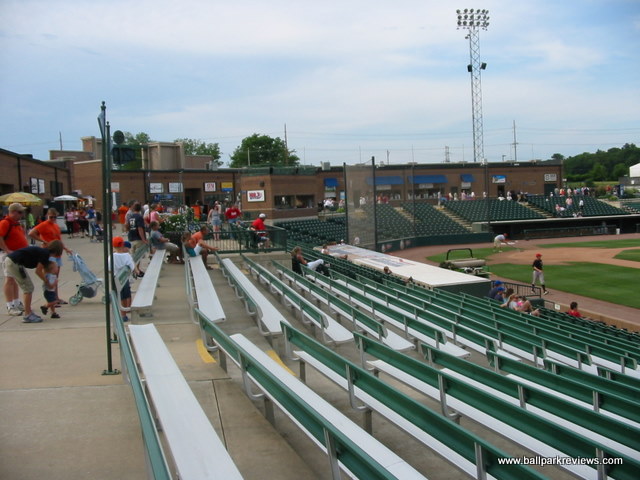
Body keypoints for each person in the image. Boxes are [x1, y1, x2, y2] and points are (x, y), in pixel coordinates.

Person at [2, 240, 64, 323]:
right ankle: (28, 315)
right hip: (14, 262)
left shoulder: (44, 252)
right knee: (28, 288)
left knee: (28, 287)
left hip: (12, 260)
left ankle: (28, 312)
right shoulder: (45, 254)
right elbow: (38, 271)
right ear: (58, 251)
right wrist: (47, 282)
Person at [28, 208, 73, 304]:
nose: (52, 219)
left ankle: (56, 297)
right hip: (48, 253)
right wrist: (43, 241)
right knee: (49, 276)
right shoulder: (43, 225)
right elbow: (31, 233)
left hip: (57, 254)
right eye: (51, 217)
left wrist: (66, 249)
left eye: (54, 217)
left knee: (55, 277)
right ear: (47, 216)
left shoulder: (56, 226)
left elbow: (59, 240)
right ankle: (51, 299)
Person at [0, 203, 29, 316]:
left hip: (18, 255)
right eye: (20, 212)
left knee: (16, 279)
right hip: (10, 255)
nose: (22, 215)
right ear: (13, 212)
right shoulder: (5, 223)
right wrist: (7, 250)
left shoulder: (16, 224)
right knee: (9, 279)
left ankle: (16, 302)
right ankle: (10, 305)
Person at [112, 236, 141, 322]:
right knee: (125, 296)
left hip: (116, 278)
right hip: (124, 280)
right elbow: (132, 266)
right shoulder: (126, 256)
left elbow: (109, 269)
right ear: (122, 245)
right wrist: (137, 271)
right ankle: (124, 313)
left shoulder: (111, 256)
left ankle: (123, 313)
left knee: (120, 297)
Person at [127, 202, 147, 272]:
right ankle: (137, 270)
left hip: (131, 237)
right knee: (138, 256)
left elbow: (127, 226)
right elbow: (140, 228)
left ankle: (133, 269)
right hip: (138, 238)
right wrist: (143, 239)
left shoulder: (130, 216)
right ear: (140, 209)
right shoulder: (139, 217)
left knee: (133, 255)